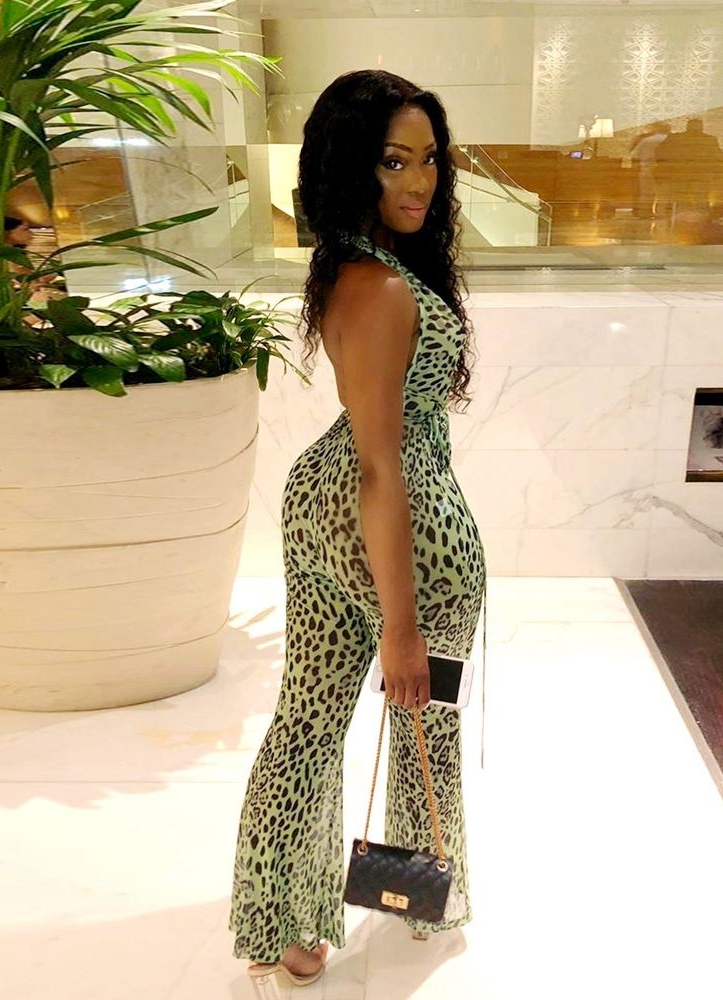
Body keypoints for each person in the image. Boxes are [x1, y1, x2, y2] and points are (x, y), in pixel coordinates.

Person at [228, 69, 486, 991]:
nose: (419, 182)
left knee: (307, 718)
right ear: (351, 165)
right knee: (424, 725)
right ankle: (422, 899)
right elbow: (386, 466)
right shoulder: (384, 288)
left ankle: (284, 925)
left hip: (319, 505)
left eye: (430, 160)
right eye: (393, 161)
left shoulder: (348, 265)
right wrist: (401, 625)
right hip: (403, 524)